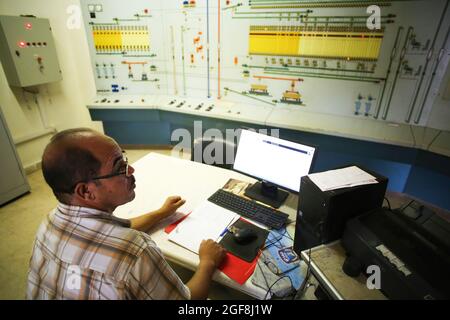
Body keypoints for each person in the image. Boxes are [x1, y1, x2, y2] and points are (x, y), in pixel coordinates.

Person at [26, 128, 226, 300]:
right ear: (86, 191)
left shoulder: (50, 221)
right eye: (119, 167)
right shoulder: (136, 251)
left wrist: (161, 213)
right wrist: (208, 261)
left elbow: (107, 234)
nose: (131, 169)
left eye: (124, 159)